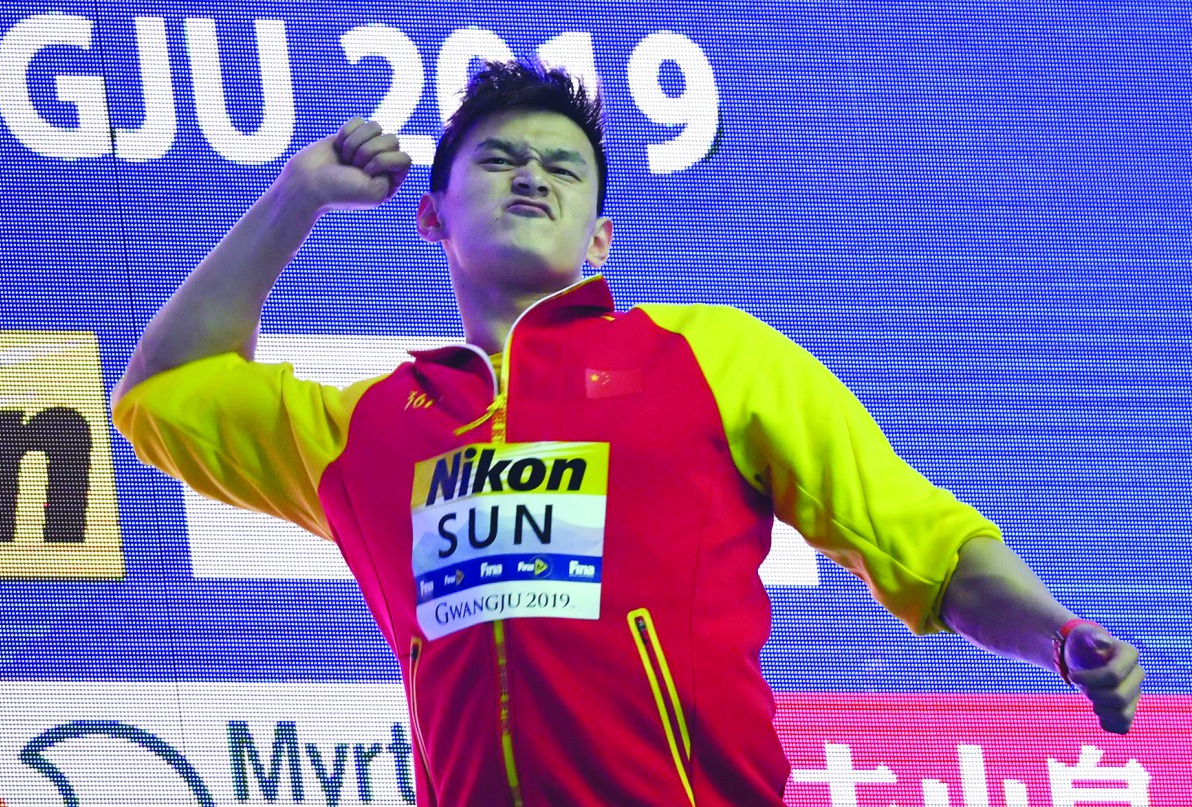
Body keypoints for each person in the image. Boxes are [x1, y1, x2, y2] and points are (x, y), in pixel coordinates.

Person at [112, 60, 1144, 806]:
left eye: (563, 171)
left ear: (599, 236)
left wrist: (1056, 634)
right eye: (499, 160)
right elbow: (165, 391)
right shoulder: (366, 432)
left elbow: (925, 544)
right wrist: (296, 196)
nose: (531, 178)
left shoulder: (710, 356)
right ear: (430, 217)